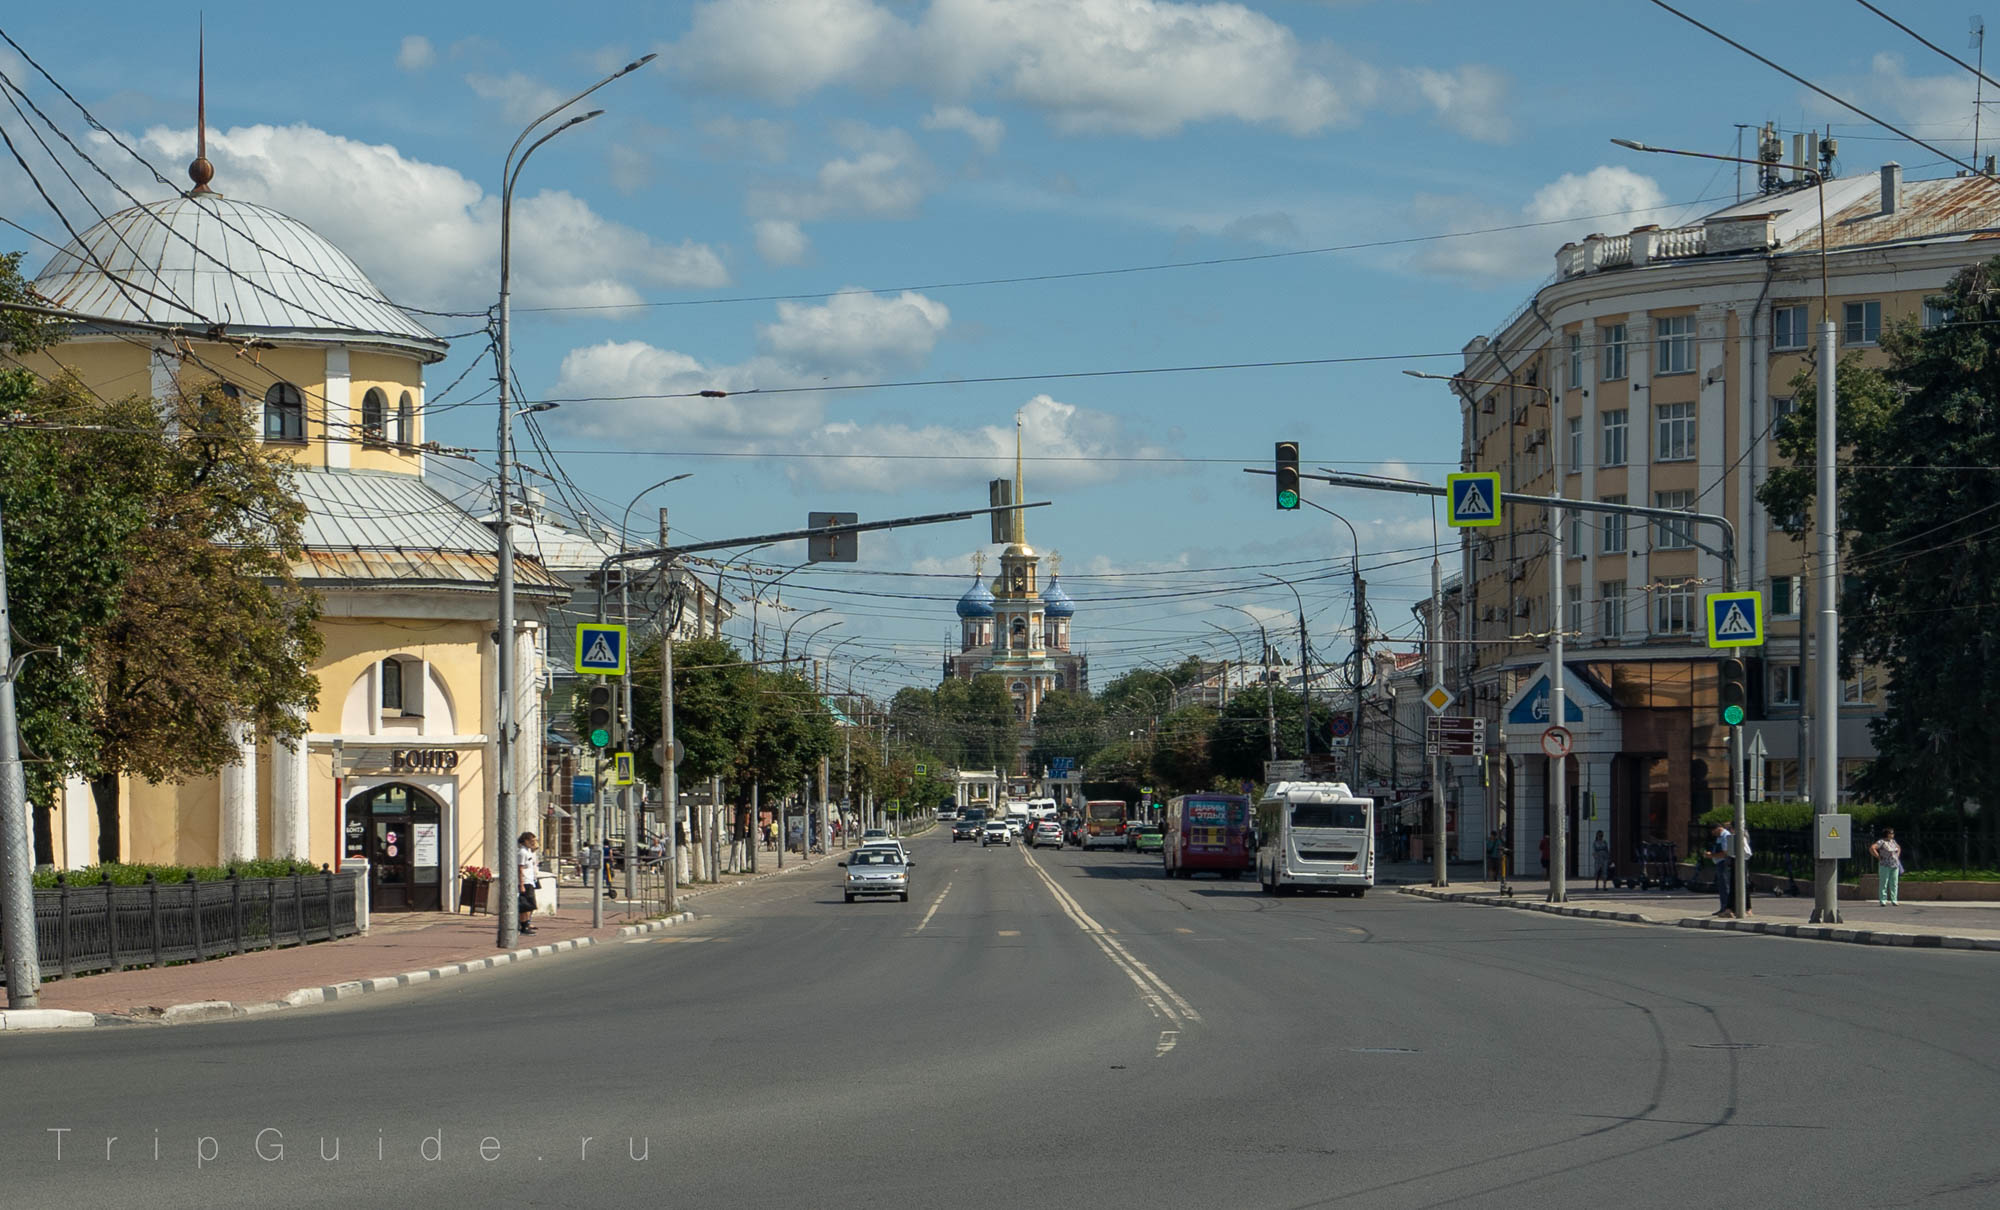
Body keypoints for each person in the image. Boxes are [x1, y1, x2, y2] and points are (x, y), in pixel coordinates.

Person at [1870, 828, 1903, 906]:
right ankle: (1883, 899)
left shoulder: (1893, 841)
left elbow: (1898, 848)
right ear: (1886, 834)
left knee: (1894, 883)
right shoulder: (1881, 842)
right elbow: (1872, 848)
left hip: (1894, 864)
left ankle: (1894, 899)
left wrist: (1897, 855)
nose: (1892, 834)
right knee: (1884, 882)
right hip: (1885, 864)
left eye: (1893, 833)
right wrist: (1878, 856)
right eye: (1891, 833)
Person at [516, 832, 540, 936]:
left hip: (530, 881)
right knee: (525, 906)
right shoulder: (522, 852)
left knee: (530, 905)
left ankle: (526, 924)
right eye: (531, 841)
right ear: (525, 841)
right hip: (525, 882)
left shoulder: (528, 851)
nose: (533, 843)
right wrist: (521, 884)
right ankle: (523, 926)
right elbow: (520, 868)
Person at [1710, 823, 1735, 918]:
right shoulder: (1719, 837)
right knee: (1721, 887)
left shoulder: (1725, 836)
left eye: (1714, 832)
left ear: (1718, 829)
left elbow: (1725, 853)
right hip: (1719, 863)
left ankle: (1727, 908)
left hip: (1724, 864)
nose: (1713, 834)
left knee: (1725, 886)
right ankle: (1723, 907)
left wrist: (1711, 856)